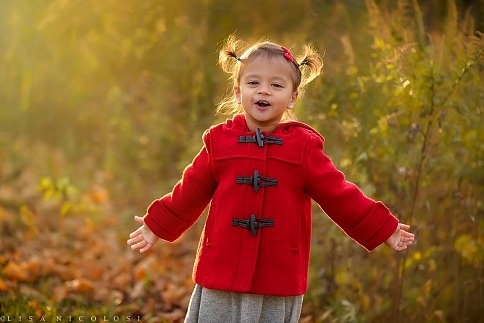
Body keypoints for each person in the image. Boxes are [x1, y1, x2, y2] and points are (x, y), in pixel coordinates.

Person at [127, 36, 415, 323]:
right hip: (222, 271)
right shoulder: (219, 141)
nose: (263, 90)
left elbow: (339, 194)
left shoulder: (303, 148)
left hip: (277, 276)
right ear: (238, 92)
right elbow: (189, 191)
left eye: (276, 85)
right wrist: (157, 225)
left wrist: (382, 228)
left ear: (292, 97)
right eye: (253, 83)